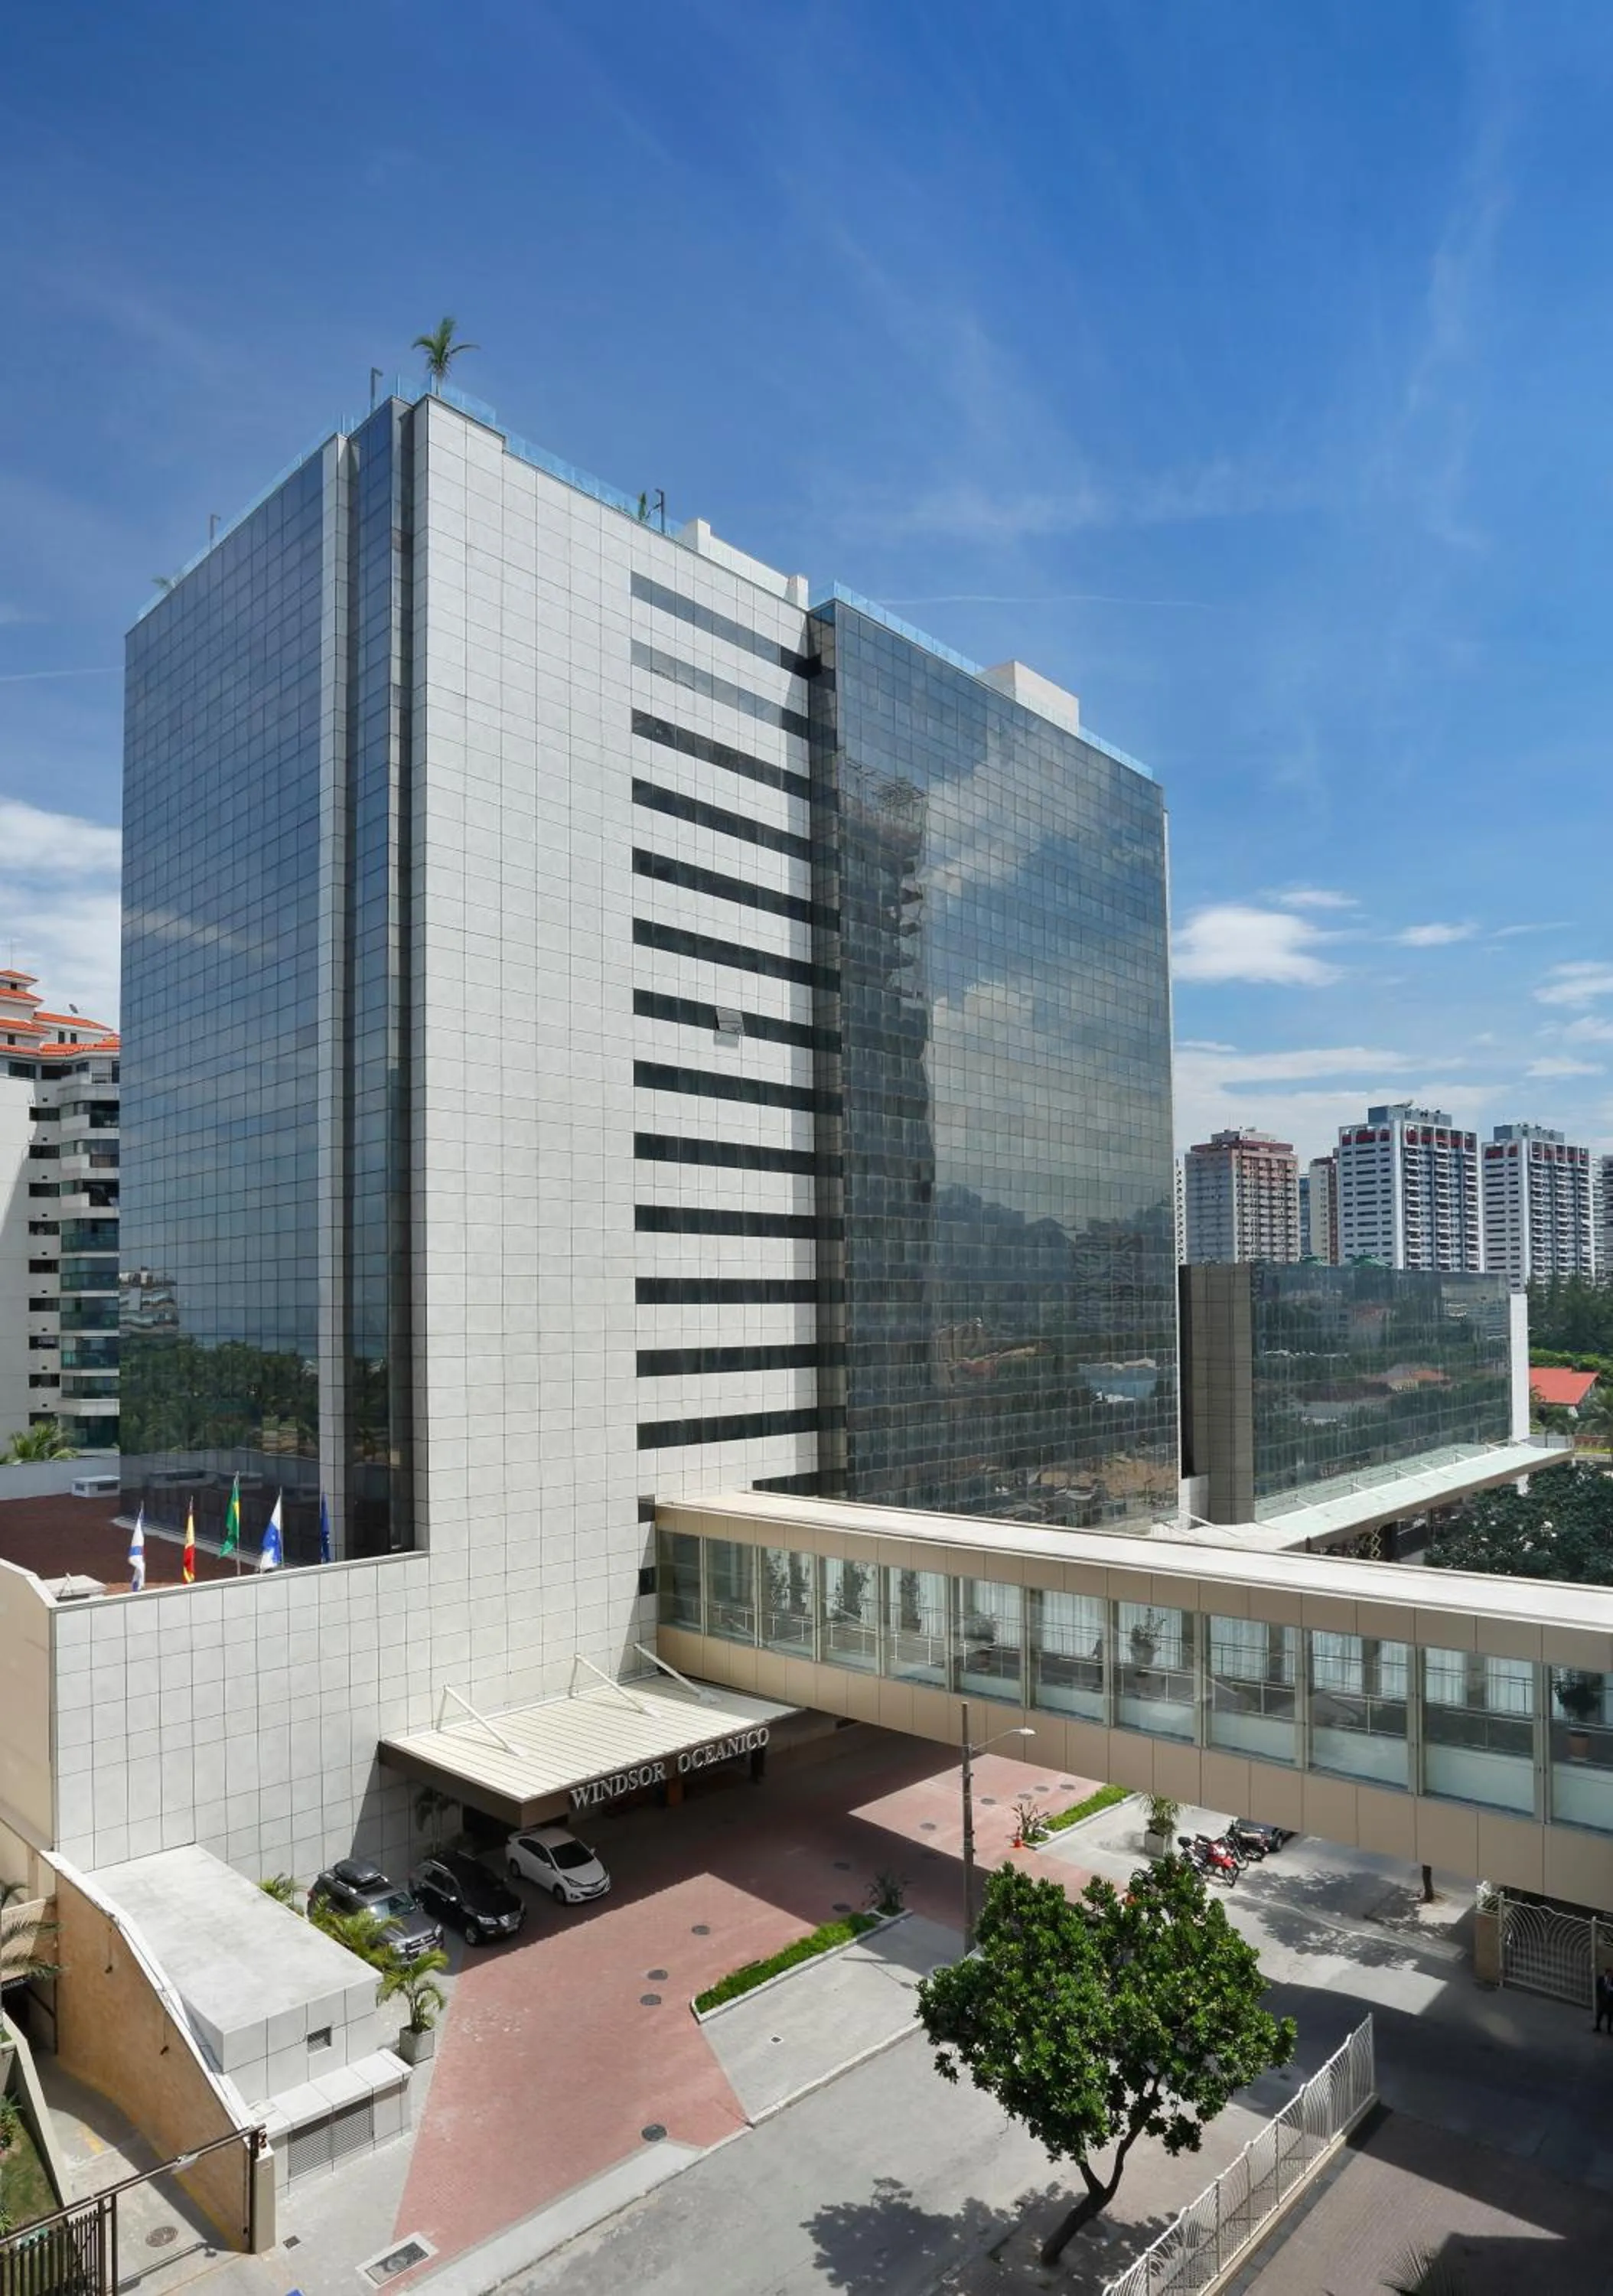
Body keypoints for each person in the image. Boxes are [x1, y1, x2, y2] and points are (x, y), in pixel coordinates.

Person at [1595, 1966, 1613, 2033]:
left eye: (1611, 1974)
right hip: (1602, 2000)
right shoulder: (1601, 1979)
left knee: (1610, 2016)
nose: (1610, 1975)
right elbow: (1598, 1988)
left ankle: (1609, 2029)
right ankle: (1598, 2027)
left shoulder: (1612, 1981)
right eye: (1609, 1973)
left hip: (1610, 2001)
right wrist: (1599, 1997)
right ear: (1606, 1973)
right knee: (1600, 2014)